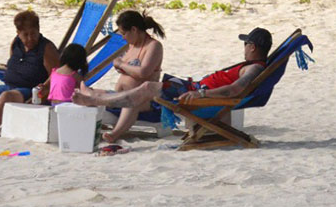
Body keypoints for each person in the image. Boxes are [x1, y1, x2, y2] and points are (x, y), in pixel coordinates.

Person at [72, 27, 272, 139]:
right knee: (143, 96)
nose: (244, 48)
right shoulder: (253, 65)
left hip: (197, 93)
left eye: (246, 44)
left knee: (147, 88)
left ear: (252, 47)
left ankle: (97, 100)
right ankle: (97, 96)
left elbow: (234, 90)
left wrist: (201, 95)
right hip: (193, 88)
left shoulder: (254, 68)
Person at [86, 10, 165, 143]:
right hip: (120, 94)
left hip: (144, 99)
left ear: (133, 29)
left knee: (131, 102)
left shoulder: (153, 46)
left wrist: (122, 65)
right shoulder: (131, 46)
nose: (123, 37)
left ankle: (115, 134)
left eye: (124, 33)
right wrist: (121, 66)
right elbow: (129, 69)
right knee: (89, 93)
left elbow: (143, 72)